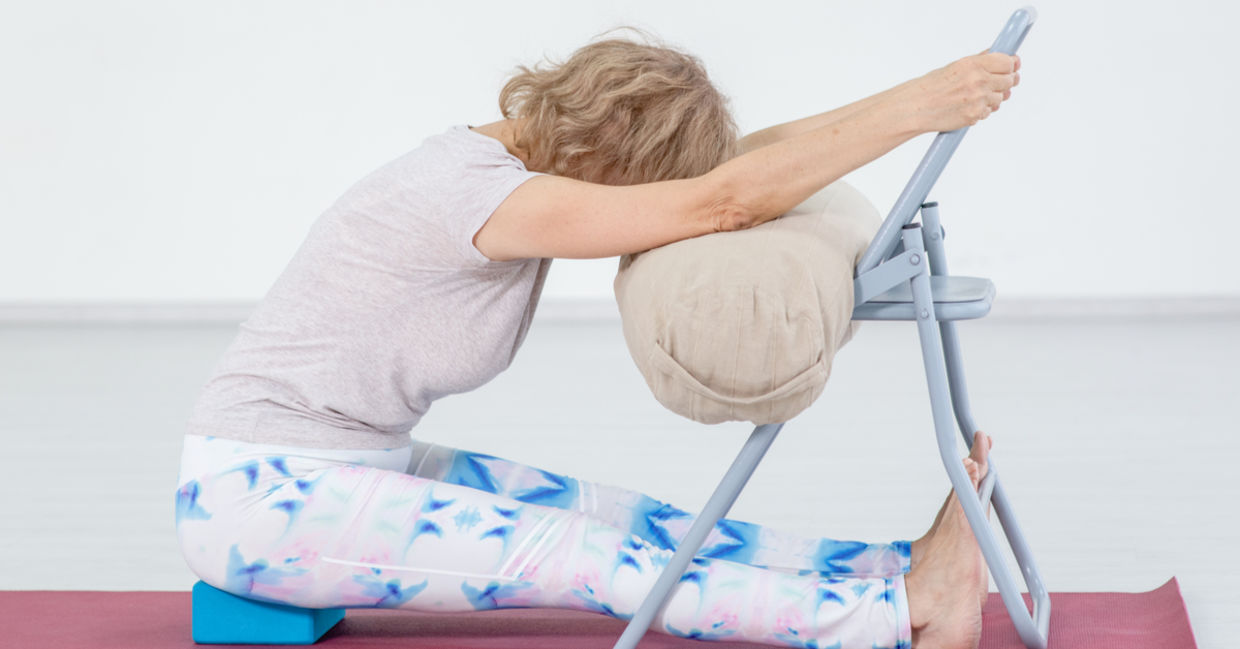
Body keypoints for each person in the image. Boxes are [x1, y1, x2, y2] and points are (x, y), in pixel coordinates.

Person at [175, 29, 1018, 649]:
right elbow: (720, 200)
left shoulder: (507, 165)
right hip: (256, 499)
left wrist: (920, 95)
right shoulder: (485, 197)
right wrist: (922, 108)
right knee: (587, 553)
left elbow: (745, 162)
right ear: (615, 155)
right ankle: (898, 614)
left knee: (619, 514)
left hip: (349, 463)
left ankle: (888, 564)